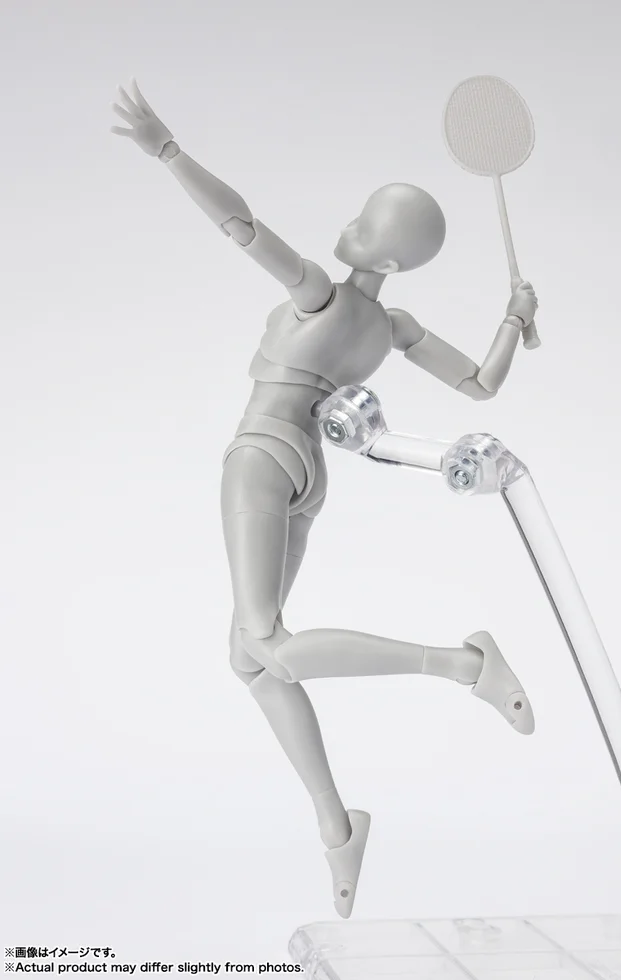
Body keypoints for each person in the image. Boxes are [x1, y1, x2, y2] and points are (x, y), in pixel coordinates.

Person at [111, 79, 539, 918]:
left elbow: (240, 225)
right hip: (309, 471)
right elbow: (481, 385)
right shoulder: (393, 329)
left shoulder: (320, 293)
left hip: (264, 454)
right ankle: (338, 826)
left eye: (367, 226)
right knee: (250, 657)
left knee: (267, 644)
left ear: (386, 259)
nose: (351, 226)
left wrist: (168, 150)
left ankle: (464, 665)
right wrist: (512, 319)